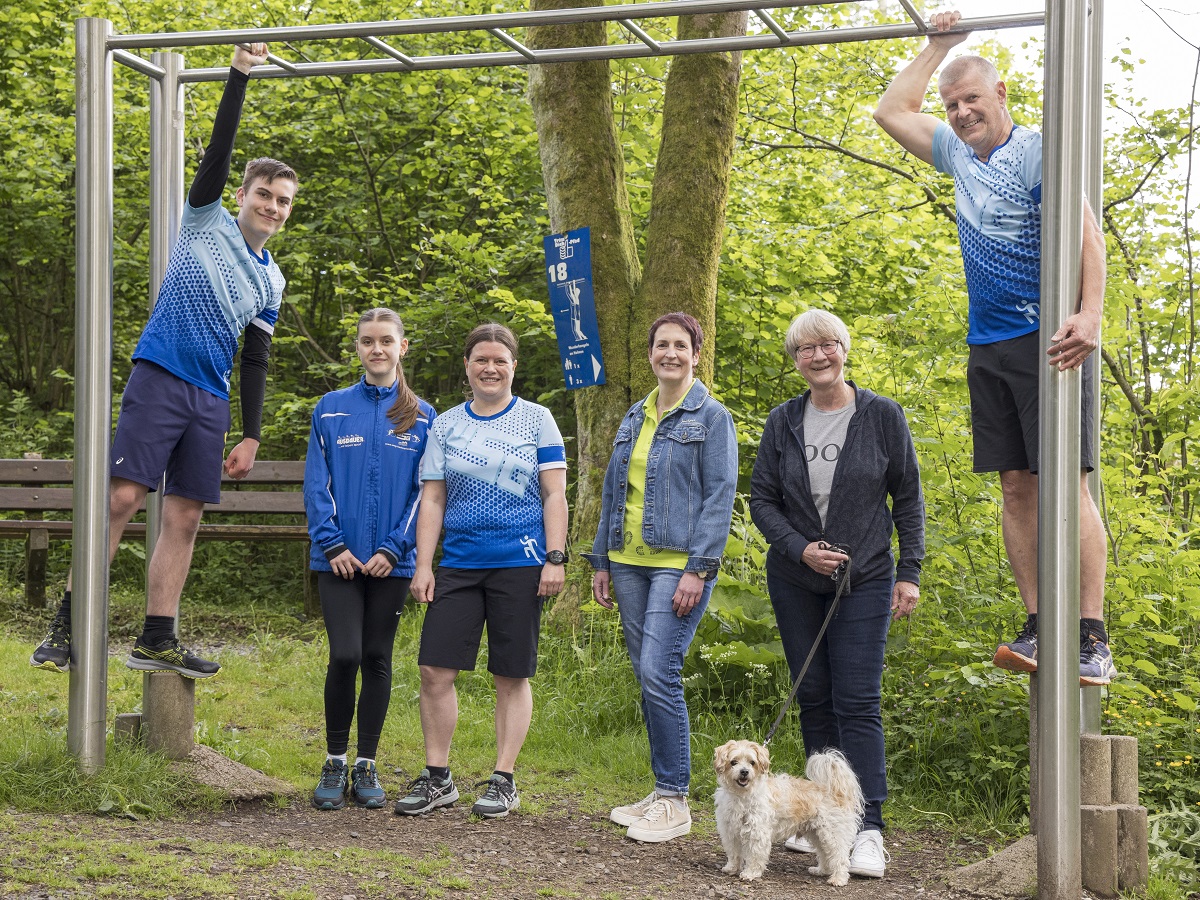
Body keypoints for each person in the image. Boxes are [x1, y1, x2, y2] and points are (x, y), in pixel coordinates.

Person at [30, 43, 296, 679]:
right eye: (265, 193)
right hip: (161, 376)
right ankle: (66, 625)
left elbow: (254, 358)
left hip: (210, 397)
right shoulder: (205, 223)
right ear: (243, 193)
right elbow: (218, 152)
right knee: (121, 498)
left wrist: (252, 431)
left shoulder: (273, 280)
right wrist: (239, 75)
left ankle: (157, 636)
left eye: (284, 201)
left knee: (184, 515)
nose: (273, 207)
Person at [872, 10, 1114, 685]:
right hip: (991, 344)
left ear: (1000, 93)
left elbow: (1086, 237)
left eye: (971, 98)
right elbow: (892, 110)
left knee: (1067, 481)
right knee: (1015, 488)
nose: (960, 112)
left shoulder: (1037, 150)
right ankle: (1040, 627)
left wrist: (1089, 316)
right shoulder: (954, 152)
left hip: (1051, 336)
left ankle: (1090, 634)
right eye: (951, 105)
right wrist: (940, 47)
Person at [749, 309, 925, 879]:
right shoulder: (783, 422)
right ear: (795, 360)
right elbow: (763, 501)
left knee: (856, 700)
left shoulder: (881, 416)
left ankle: (868, 825)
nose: (818, 356)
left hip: (866, 577)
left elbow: (908, 499)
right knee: (814, 696)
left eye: (827, 345)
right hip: (796, 579)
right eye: (805, 349)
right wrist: (800, 548)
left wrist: (910, 572)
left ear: (844, 350)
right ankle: (818, 822)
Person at [394, 323, 568, 820]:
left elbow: (555, 493)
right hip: (460, 565)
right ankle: (437, 777)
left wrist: (555, 557)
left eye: (500, 360)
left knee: (510, 674)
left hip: (521, 562)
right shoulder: (445, 425)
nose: (490, 368)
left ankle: (503, 779)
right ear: (467, 366)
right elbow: (432, 497)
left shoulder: (537, 420)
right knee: (433, 670)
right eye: (480, 360)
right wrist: (423, 564)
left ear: (514, 366)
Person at [586, 312, 738, 844]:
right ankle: (661, 788)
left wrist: (699, 568)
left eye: (680, 345)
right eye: (661, 345)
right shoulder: (635, 414)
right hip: (627, 563)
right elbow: (612, 492)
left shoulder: (712, 417)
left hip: (679, 565)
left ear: (697, 354)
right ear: (650, 354)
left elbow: (720, 498)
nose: (669, 353)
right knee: (646, 676)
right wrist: (601, 559)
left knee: (659, 670)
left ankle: (675, 800)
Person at [304, 308, 435, 810]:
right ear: (357, 348)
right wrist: (333, 544)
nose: (375, 349)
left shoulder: (424, 417)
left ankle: (366, 764)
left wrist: (393, 549)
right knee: (345, 654)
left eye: (385, 341)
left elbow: (426, 493)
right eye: (366, 341)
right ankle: (335, 759)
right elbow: (318, 482)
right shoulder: (332, 409)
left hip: (392, 563)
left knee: (378, 656)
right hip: (336, 559)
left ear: (403, 347)